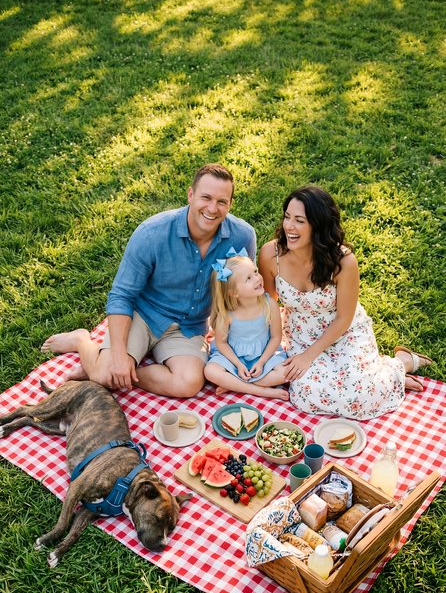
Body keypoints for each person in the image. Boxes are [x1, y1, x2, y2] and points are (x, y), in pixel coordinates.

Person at [41, 164, 256, 397]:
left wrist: (235, 358)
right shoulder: (152, 233)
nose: (212, 208)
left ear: (230, 204)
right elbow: (121, 295)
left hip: (188, 326)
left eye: (222, 201)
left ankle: (118, 371)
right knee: (105, 375)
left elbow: (240, 295)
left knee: (188, 384)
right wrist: (120, 356)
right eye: (206, 198)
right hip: (143, 316)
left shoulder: (242, 236)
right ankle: (83, 341)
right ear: (191, 195)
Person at [258, 185, 433, 419]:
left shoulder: (344, 261)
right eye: (288, 217)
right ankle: (388, 369)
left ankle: (399, 365)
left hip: (343, 330)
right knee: (308, 392)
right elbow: (270, 303)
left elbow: (344, 317)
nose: (289, 226)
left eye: (300, 220)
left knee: (362, 393)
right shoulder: (271, 254)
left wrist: (308, 355)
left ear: (318, 226)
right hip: (301, 330)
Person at [204, 250, 288, 400]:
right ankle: (261, 390)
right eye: (248, 278)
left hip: (263, 354)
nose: (257, 278)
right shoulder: (227, 313)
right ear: (234, 293)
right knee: (210, 371)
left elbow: (276, 338)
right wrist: (238, 365)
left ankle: (234, 384)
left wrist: (262, 362)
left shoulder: (269, 304)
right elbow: (221, 343)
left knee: (285, 373)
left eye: (255, 272)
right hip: (234, 357)